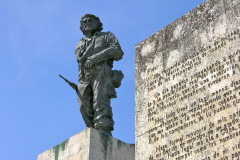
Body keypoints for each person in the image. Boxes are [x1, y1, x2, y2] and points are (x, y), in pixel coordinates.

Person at [74, 14, 124, 135]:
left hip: (101, 72)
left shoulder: (107, 36)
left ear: (97, 24)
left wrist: (95, 58)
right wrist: (81, 81)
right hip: (85, 77)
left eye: (90, 20)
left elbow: (117, 52)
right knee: (83, 106)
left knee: (100, 101)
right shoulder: (79, 44)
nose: (86, 22)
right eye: (84, 21)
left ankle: (104, 129)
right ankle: (93, 129)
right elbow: (80, 63)